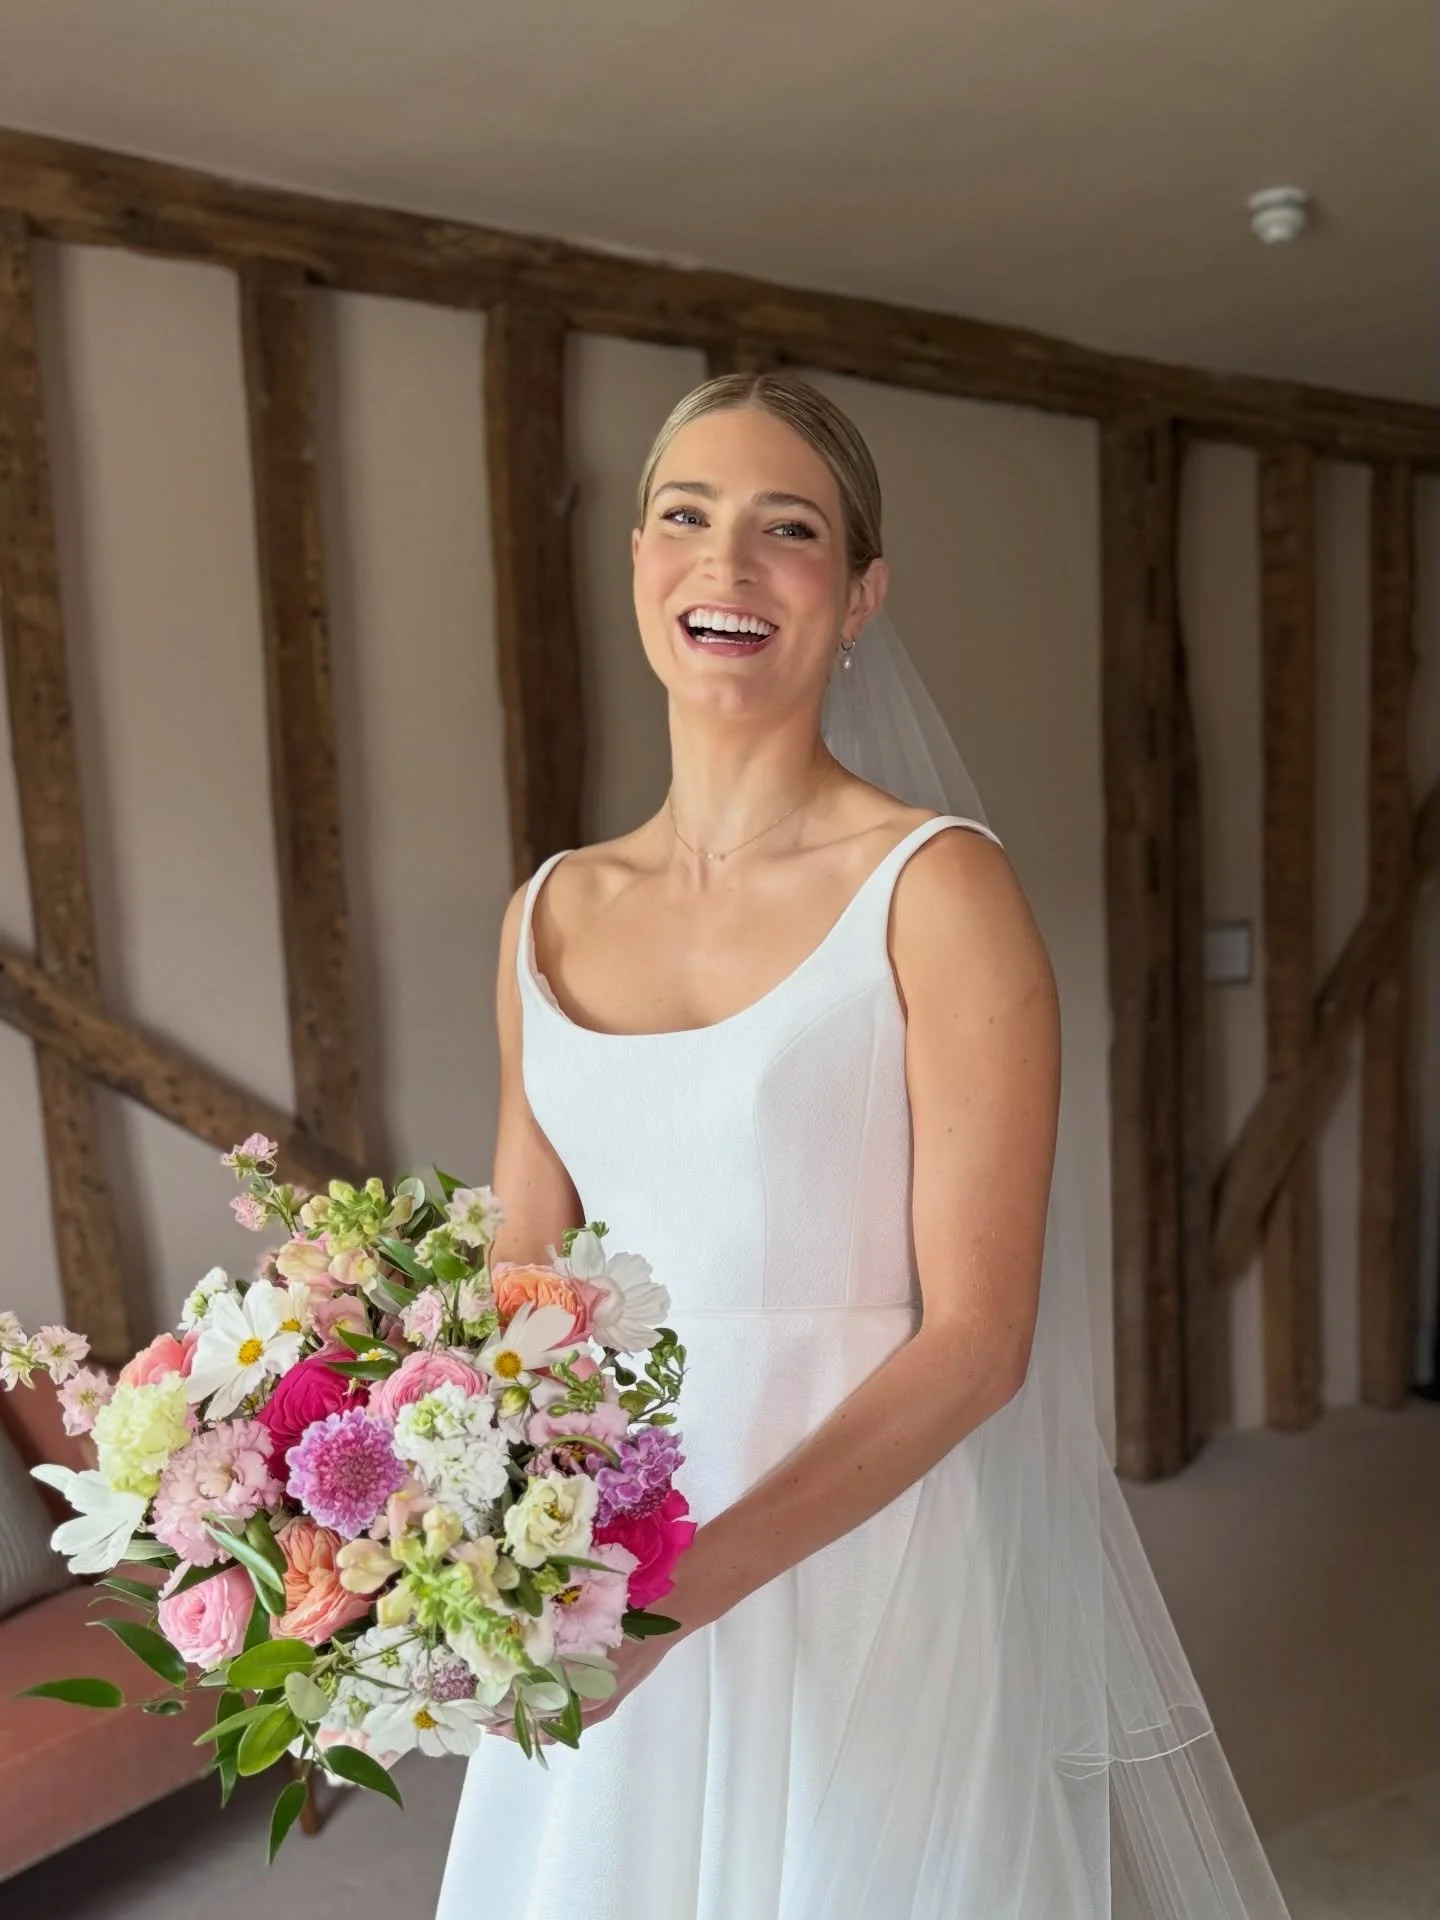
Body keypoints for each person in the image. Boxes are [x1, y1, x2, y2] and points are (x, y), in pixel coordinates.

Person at [436, 374, 1289, 1918]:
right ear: (636, 559)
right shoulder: (546, 914)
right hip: (604, 1556)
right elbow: (522, 1286)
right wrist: (449, 1533)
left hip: (866, 1552)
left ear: (858, 597)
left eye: (790, 530)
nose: (728, 566)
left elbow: (977, 1341)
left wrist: (671, 1603)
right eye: (686, 517)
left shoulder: (938, 888)